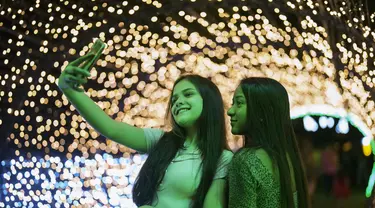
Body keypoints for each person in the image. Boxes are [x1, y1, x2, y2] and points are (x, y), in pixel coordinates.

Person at [57, 53, 233, 208]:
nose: (178, 102)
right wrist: (70, 89)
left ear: (209, 102)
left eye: (188, 94)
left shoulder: (222, 158)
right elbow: (112, 129)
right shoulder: (162, 141)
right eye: (174, 99)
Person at [226, 77, 309, 208]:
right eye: (232, 103)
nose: (230, 111)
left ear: (261, 111)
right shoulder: (288, 158)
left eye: (239, 103)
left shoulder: (245, 161)